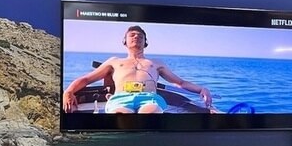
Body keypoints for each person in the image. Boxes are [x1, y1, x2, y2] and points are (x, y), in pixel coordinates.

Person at [62, 25, 213, 113]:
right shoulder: (115, 62)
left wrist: (201, 89)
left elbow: (180, 83)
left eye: (140, 36)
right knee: (121, 118)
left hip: (149, 98)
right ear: (125, 41)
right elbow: (86, 79)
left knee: (150, 115)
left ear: (145, 42)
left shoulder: (155, 63)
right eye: (132, 35)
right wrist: (69, 91)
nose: (136, 37)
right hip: (120, 98)